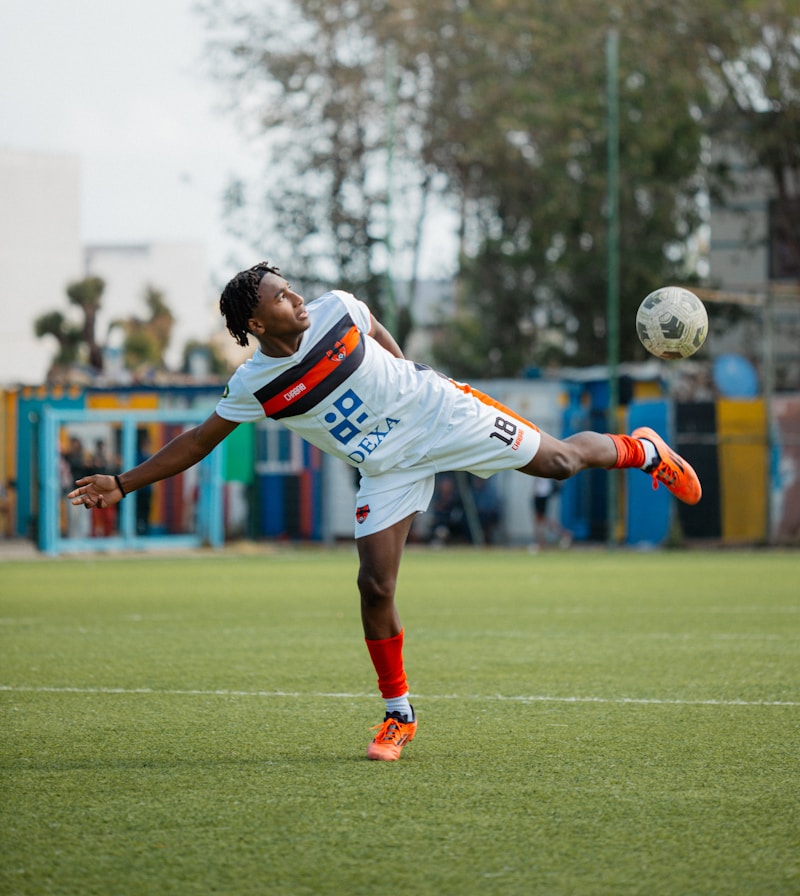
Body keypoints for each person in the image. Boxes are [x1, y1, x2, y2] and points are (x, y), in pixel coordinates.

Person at [68, 261, 702, 761]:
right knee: (374, 586)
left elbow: (372, 327)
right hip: (385, 466)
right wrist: (122, 483)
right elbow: (198, 442)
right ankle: (399, 714)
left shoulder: (336, 309)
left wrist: (406, 370)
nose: (297, 298)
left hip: (442, 413)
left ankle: (644, 451)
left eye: (291, 287)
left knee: (560, 462)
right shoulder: (255, 384)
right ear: (256, 322)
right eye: (281, 296)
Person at [531, 474, 572, 550]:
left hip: (542, 494)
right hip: (540, 494)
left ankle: (564, 534)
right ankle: (541, 543)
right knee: (540, 519)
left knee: (542, 519)